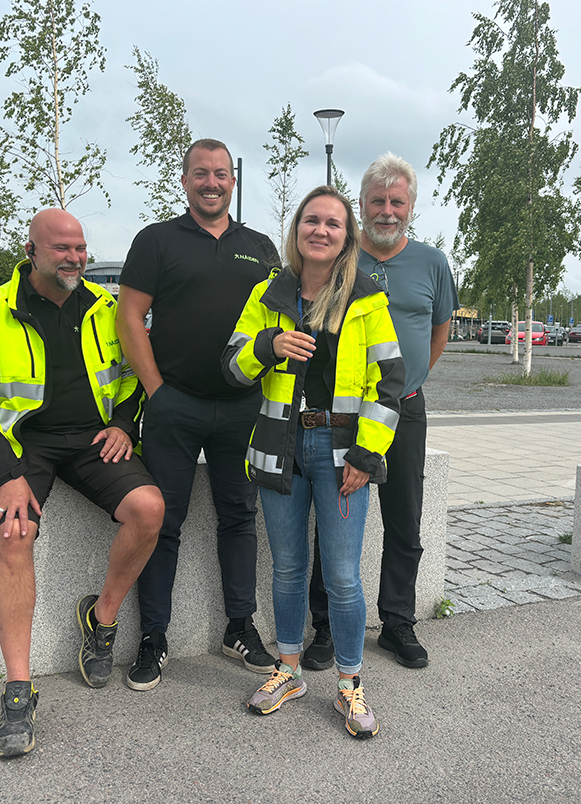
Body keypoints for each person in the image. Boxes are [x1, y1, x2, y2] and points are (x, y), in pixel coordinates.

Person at [0, 208, 164, 757]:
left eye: (80, 248)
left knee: (149, 509)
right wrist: (3, 474)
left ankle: (101, 618)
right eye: (61, 249)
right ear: (33, 252)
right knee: (13, 533)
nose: (74, 258)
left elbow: (134, 376)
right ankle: (19, 691)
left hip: (94, 438)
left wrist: (123, 423)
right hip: (26, 445)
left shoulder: (108, 307)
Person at [222, 185, 404, 738]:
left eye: (333, 223)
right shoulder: (269, 293)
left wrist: (368, 454)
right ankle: (289, 668)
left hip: (343, 451)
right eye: (311, 221)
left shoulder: (367, 298)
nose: (320, 230)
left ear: (347, 237)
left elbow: (390, 383)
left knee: (343, 577)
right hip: (280, 445)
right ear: (297, 230)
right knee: (288, 568)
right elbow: (230, 366)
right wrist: (267, 346)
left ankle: (349, 682)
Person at [117, 139, 281, 691]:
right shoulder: (156, 240)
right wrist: (156, 391)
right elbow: (130, 317)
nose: (211, 183)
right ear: (184, 179)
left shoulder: (260, 247)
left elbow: (282, 325)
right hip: (175, 405)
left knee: (239, 517)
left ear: (233, 180)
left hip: (244, 408)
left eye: (221, 174)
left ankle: (240, 625)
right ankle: (153, 637)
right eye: (200, 174)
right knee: (164, 523)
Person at [303, 153, 458, 672]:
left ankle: (397, 623)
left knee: (404, 520)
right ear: (362, 205)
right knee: (334, 518)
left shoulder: (433, 264)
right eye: (377, 201)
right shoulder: (341, 261)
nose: (387, 211)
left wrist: (410, 381)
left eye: (397, 201)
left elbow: (439, 330)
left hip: (404, 411)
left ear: (411, 206)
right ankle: (325, 628)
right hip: (344, 417)